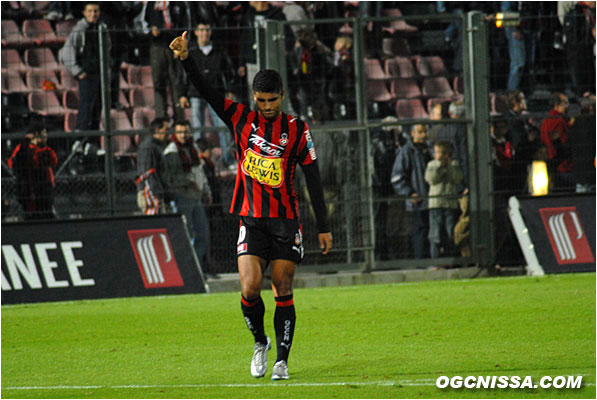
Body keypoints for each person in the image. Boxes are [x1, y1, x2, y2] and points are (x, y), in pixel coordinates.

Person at [169, 31, 333, 381]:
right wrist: (186, 59)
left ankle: (282, 361)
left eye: (272, 100)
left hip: (286, 221)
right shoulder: (241, 118)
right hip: (251, 219)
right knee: (248, 288)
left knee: (283, 288)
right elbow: (207, 92)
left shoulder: (298, 130)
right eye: (261, 100)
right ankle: (261, 342)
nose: (267, 106)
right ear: (254, 97)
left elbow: (313, 178)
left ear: (282, 97)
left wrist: (323, 226)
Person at [176, 21, 236, 166]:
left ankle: (229, 160)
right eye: (201, 30)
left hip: (215, 93)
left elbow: (227, 72)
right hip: (195, 94)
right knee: (197, 129)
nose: (205, 33)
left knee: (223, 127)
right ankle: (199, 159)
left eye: (207, 30)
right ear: (196, 32)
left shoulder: (219, 50)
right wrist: (182, 94)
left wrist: (229, 90)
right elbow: (183, 73)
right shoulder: (191, 51)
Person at [164, 120, 212, 270]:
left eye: (185, 132)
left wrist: (206, 190)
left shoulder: (194, 148)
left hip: (197, 197)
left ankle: (195, 268)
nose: (183, 135)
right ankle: (185, 269)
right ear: (174, 134)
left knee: (203, 235)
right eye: (180, 132)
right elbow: (171, 178)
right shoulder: (171, 151)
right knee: (186, 235)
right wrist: (188, 182)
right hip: (183, 197)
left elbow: (200, 172)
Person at [60, 2, 108, 137]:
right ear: (85, 13)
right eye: (90, 11)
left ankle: (93, 142)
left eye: (96, 11)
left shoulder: (102, 28)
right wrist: (78, 71)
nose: (93, 14)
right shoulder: (79, 30)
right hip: (87, 75)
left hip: (100, 74)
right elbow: (66, 53)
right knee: (86, 108)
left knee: (97, 109)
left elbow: (107, 50)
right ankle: (80, 140)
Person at [391, 124, 432, 259]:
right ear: (412, 133)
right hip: (418, 199)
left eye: (425, 131)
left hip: (432, 199)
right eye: (420, 132)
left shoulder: (428, 149)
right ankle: (421, 261)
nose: (423, 135)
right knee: (419, 231)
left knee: (430, 231)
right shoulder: (406, 151)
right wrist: (409, 193)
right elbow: (397, 177)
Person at [8, 123, 58, 220]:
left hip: (45, 187)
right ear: (36, 134)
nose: (46, 136)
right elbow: (12, 163)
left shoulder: (46, 149)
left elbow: (53, 161)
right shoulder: (22, 149)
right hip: (29, 187)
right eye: (44, 133)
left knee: (46, 213)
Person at [424, 140, 464, 259]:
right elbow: (431, 179)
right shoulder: (432, 165)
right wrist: (439, 165)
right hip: (436, 204)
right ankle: (435, 259)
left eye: (439, 153)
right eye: (436, 153)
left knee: (450, 232)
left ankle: (450, 258)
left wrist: (449, 166)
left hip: (450, 204)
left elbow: (457, 179)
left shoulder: (455, 165)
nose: (436, 155)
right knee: (435, 234)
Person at [540, 92, 574, 190]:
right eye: (565, 103)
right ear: (557, 105)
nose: (568, 106)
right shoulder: (560, 121)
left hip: (551, 165)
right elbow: (566, 143)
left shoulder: (545, 121)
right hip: (565, 167)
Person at [136, 118, 170, 215]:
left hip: (155, 192)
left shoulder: (156, 146)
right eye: (166, 129)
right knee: (155, 225)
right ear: (158, 130)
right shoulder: (148, 147)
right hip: (150, 194)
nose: (168, 133)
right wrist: (155, 195)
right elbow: (147, 174)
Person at [568, 94, 596, 192]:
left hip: (580, 173)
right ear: (592, 108)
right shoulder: (594, 123)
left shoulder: (574, 124)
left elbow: (568, 145)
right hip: (593, 173)